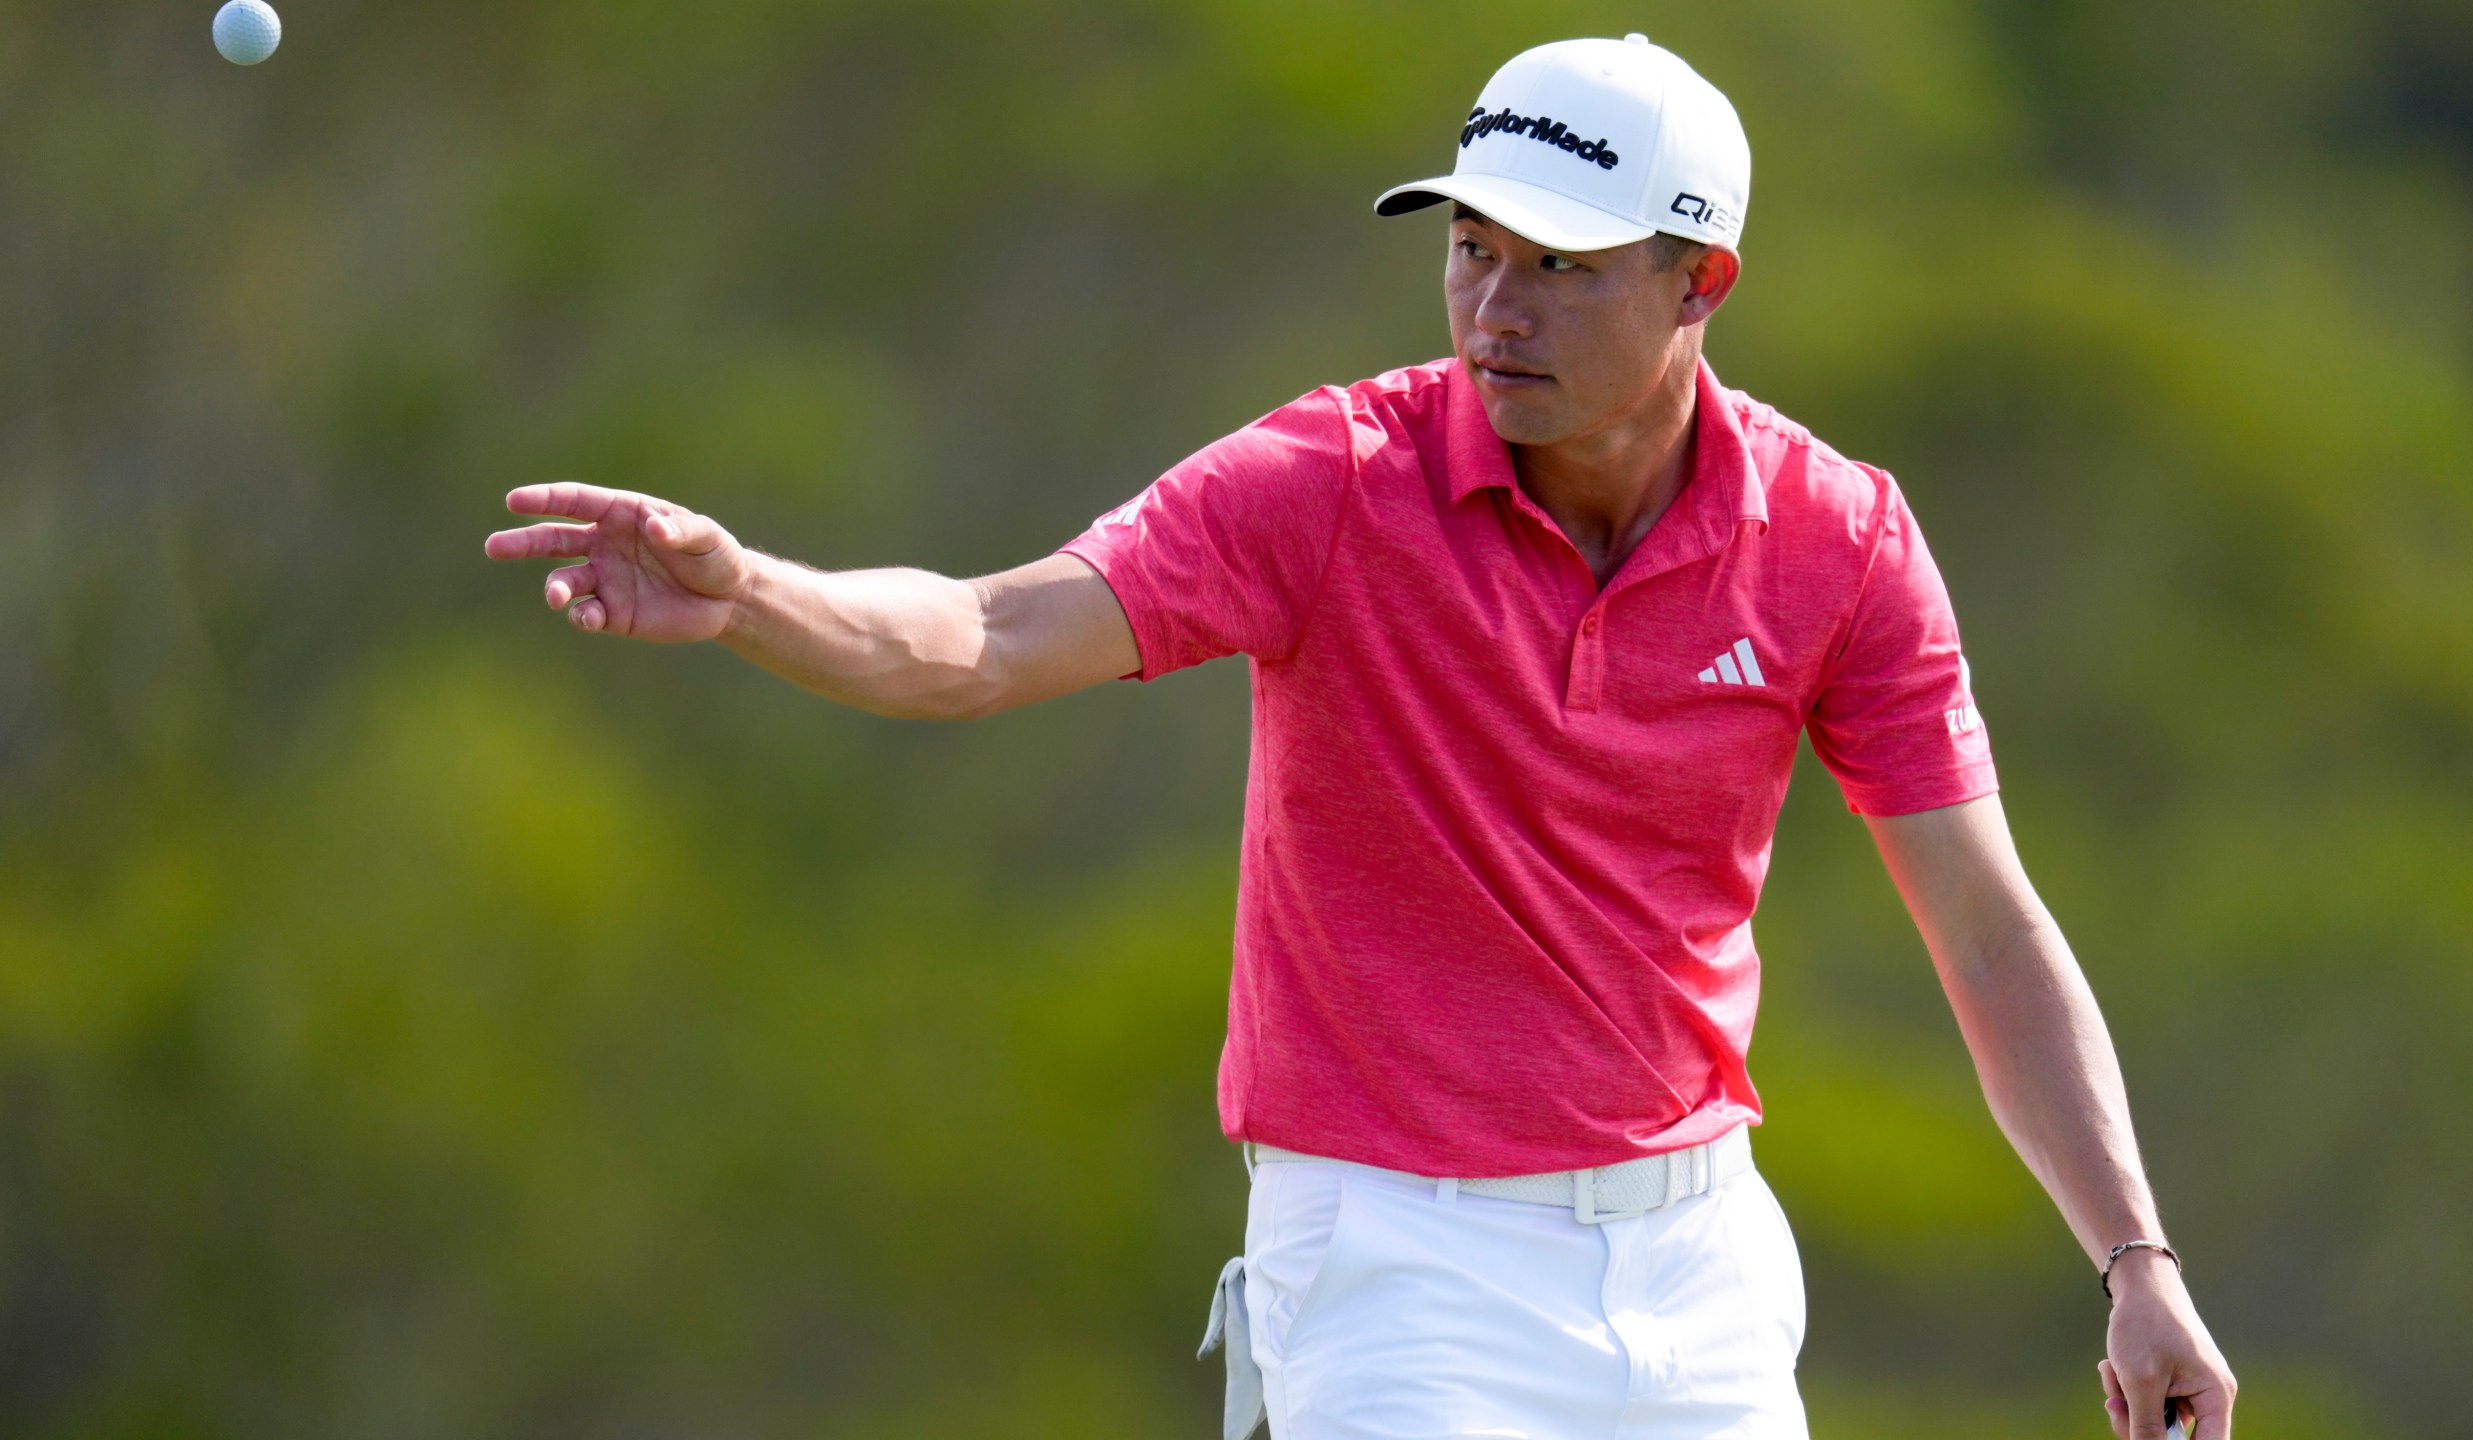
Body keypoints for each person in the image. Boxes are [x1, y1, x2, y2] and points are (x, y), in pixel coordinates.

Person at [485, 33, 2237, 1440]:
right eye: (1473, 251)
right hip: (1395, 1266)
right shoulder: (1330, 483)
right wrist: (755, 593)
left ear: (1702, 281)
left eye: (1561, 267)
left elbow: (1987, 927)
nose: (1497, 310)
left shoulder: (1837, 538)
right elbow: (985, 636)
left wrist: (2134, 1260)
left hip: (1701, 1264)